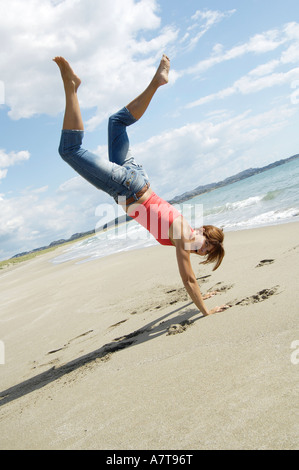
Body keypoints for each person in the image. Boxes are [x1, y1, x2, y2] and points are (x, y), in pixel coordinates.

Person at [53, 55, 228, 316]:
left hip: (136, 180)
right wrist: (206, 310)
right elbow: (188, 279)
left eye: (205, 252)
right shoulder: (182, 232)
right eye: (206, 244)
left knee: (116, 121)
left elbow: (192, 279)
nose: (201, 249)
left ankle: (157, 82)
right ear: (201, 230)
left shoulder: (183, 233)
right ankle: (71, 86)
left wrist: (202, 296)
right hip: (128, 187)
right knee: (70, 150)